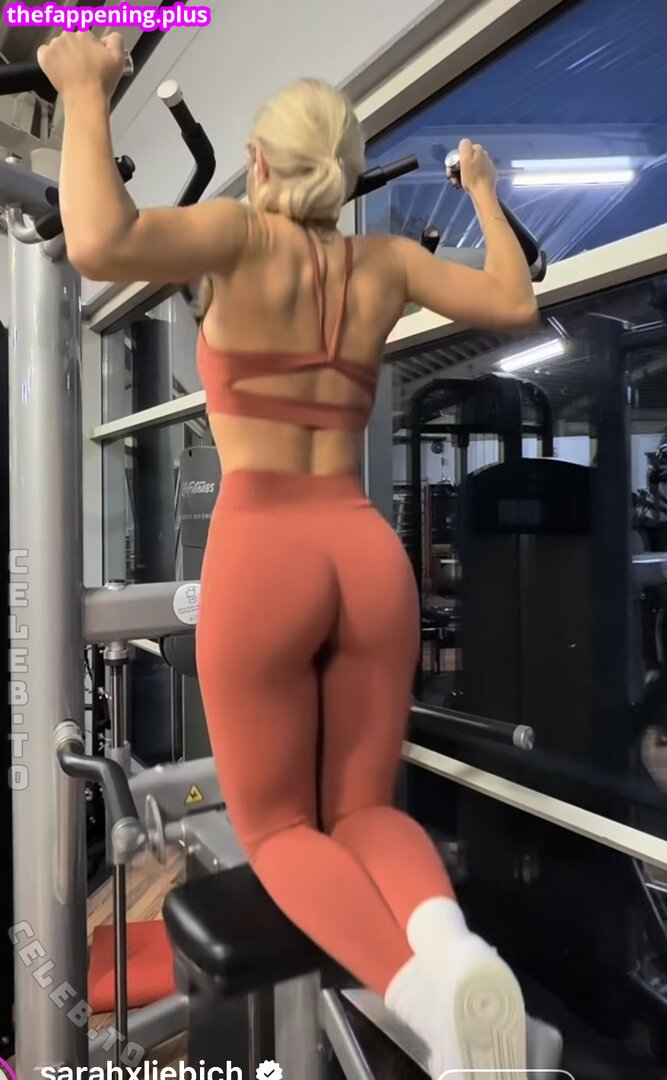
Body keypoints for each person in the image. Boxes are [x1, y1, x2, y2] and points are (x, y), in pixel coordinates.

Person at [39, 30, 538, 1079]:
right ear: (343, 172)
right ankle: (458, 957)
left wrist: (83, 90)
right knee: (364, 812)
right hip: (364, 553)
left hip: (265, 551)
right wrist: (484, 193)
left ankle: (432, 1007)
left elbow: (98, 240)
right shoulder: (384, 264)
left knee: (276, 831)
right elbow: (511, 300)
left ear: (259, 162)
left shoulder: (234, 236)